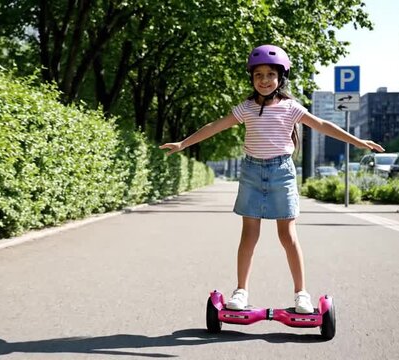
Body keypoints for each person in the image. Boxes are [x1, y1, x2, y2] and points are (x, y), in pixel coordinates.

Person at [159, 44, 385, 313]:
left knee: (287, 236)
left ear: (281, 78)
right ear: (252, 79)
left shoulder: (291, 107)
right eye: (258, 75)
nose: (264, 80)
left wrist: (357, 141)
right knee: (248, 236)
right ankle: (241, 291)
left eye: (270, 75)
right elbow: (215, 126)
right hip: (251, 173)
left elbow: (323, 125)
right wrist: (183, 143)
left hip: (282, 173)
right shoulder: (246, 108)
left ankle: (301, 294)